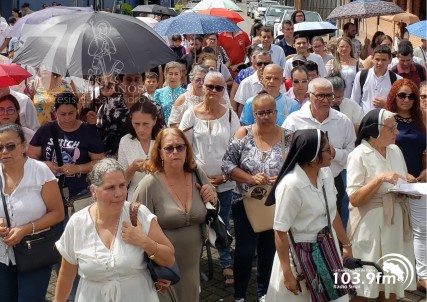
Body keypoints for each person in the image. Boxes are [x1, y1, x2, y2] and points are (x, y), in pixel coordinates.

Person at [54, 158, 175, 301]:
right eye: (110, 187)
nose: (119, 193)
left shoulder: (138, 214)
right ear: (93, 191)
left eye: (122, 185)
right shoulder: (78, 222)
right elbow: (66, 275)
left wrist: (144, 241)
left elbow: (169, 258)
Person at [265, 129, 352, 302]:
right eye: (327, 150)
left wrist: (346, 244)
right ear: (313, 157)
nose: (332, 153)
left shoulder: (326, 173)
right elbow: (280, 231)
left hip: (328, 248)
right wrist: (287, 273)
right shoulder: (291, 185)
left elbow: (332, 213)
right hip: (300, 254)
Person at [133, 128, 218, 302]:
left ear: (187, 150)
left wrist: (213, 197)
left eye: (180, 147)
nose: (175, 152)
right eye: (169, 148)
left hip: (192, 264)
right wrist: (148, 269)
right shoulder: (149, 184)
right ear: (160, 153)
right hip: (162, 269)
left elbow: (212, 207)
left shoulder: (197, 174)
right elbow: (136, 226)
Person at [222, 93, 292, 302]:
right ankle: (240, 294)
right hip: (245, 202)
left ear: (276, 112)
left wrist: (283, 176)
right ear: (254, 114)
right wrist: (250, 178)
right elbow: (227, 165)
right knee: (244, 250)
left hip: (276, 202)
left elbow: (298, 167)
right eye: (260, 113)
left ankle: (264, 292)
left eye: (270, 112)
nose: (266, 116)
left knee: (269, 248)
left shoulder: (288, 136)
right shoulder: (243, 135)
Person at [346, 108, 417, 301]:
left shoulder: (395, 150)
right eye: (392, 128)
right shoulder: (358, 155)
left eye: (396, 127)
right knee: (365, 284)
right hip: (369, 225)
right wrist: (378, 179)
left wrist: (410, 182)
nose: (397, 132)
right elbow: (354, 198)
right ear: (375, 130)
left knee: (391, 282)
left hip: (394, 224)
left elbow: (401, 176)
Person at [179, 71, 240, 286]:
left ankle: (225, 263)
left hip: (225, 181)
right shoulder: (189, 114)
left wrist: (225, 176)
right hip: (197, 182)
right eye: (210, 86)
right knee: (195, 224)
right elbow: (184, 150)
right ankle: (193, 265)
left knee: (221, 222)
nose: (214, 91)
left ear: (225, 90)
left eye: (219, 87)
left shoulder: (231, 115)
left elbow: (237, 150)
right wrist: (201, 178)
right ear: (202, 87)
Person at [0, 123, 64, 301]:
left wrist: (25, 229)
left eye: (10, 146)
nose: (4, 151)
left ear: (23, 146)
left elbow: (57, 213)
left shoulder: (39, 171)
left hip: (34, 250)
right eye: (0, 147)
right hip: (2, 256)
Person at [283, 78, 356, 218]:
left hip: (335, 181)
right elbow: (285, 153)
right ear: (308, 95)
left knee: (335, 224)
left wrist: (335, 153)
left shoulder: (343, 121)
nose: (325, 100)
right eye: (320, 96)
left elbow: (353, 154)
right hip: (302, 184)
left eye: (329, 95)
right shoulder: (293, 121)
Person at [385, 79, 427, 291]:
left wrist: (426, 171)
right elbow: (381, 150)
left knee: (420, 229)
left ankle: (421, 275)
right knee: (397, 227)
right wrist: (403, 175)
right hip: (395, 181)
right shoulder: (387, 120)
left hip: (419, 183)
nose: (407, 100)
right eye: (402, 95)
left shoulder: (422, 119)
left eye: (411, 96)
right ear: (394, 96)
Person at [28, 92, 104, 201]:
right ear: (55, 112)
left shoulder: (88, 131)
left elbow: (100, 162)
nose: (67, 118)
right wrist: (44, 165)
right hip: (48, 190)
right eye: (62, 114)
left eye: (71, 113)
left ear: (77, 109)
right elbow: (29, 157)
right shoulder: (46, 130)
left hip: (81, 193)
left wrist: (78, 168)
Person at [118, 99, 162, 201]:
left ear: (154, 121)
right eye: (136, 124)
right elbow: (122, 182)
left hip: (162, 197)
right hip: (135, 198)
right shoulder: (125, 141)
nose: (141, 129)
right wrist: (132, 169)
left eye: (145, 124)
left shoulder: (163, 139)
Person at [351, 45, 402, 114]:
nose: (380, 63)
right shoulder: (361, 76)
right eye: (377, 59)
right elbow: (354, 101)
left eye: (383, 60)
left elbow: (401, 105)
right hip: (364, 121)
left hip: (387, 122)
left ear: (390, 60)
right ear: (372, 59)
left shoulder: (397, 80)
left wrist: (386, 104)